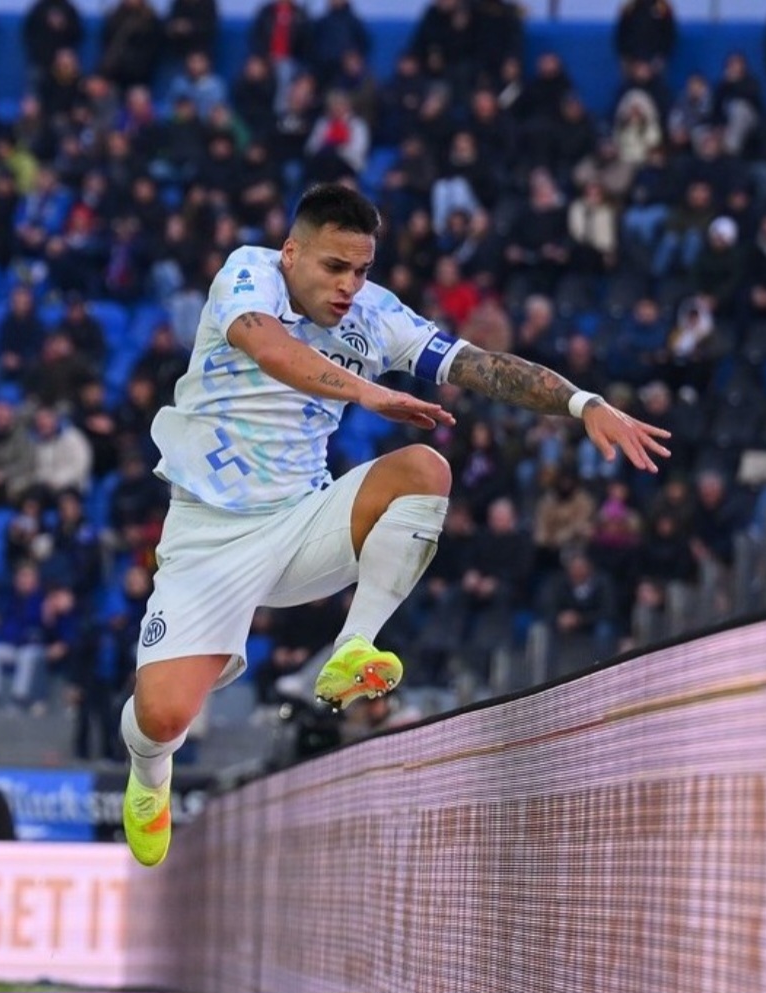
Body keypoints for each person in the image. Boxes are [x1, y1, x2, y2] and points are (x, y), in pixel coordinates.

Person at [119, 182, 671, 867]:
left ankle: (352, 648)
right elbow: (270, 350)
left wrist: (584, 403)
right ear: (291, 253)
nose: (349, 286)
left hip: (303, 523)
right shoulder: (247, 274)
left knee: (424, 469)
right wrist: (369, 392)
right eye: (334, 267)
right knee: (163, 717)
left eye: (361, 270)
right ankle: (150, 775)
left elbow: (483, 367)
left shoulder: (377, 317)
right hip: (209, 535)